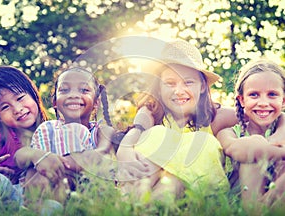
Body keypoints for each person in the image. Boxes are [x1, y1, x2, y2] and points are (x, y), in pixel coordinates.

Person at [116, 39, 239, 201]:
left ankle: (151, 205)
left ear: (202, 86)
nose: (179, 91)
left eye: (188, 82)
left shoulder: (215, 116)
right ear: (159, 87)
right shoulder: (152, 110)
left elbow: (253, 113)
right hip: (149, 179)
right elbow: (137, 129)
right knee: (156, 134)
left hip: (188, 188)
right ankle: (136, 200)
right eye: (170, 83)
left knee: (205, 144)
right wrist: (124, 149)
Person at [24, 67, 116, 203]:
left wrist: (59, 164)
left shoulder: (101, 131)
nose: (73, 95)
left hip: (89, 194)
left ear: (96, 102)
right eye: (64, 90)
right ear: (55, 102)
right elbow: (36, 166)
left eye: (84, 90)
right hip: (50, 191)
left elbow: (100, 154)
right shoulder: (47, 130)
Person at [0, 66, 66, 206]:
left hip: (35, 200)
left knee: (52, 207)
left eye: (20, 98)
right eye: (5, 107)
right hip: (4, 194)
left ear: (33, 94)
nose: (17, 109)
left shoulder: (54, 130)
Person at [217, 59, 285, 209]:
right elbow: (239, 149)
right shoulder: (228, 133)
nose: (263, 102)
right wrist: (278, 151)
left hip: (277, 192)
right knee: (252, 148)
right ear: (242, 100)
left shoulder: (282, 124)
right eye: (254, 95)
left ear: (283, 100)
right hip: (242, 197)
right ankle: (256, 210)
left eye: (272, 94)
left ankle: (269, 206)